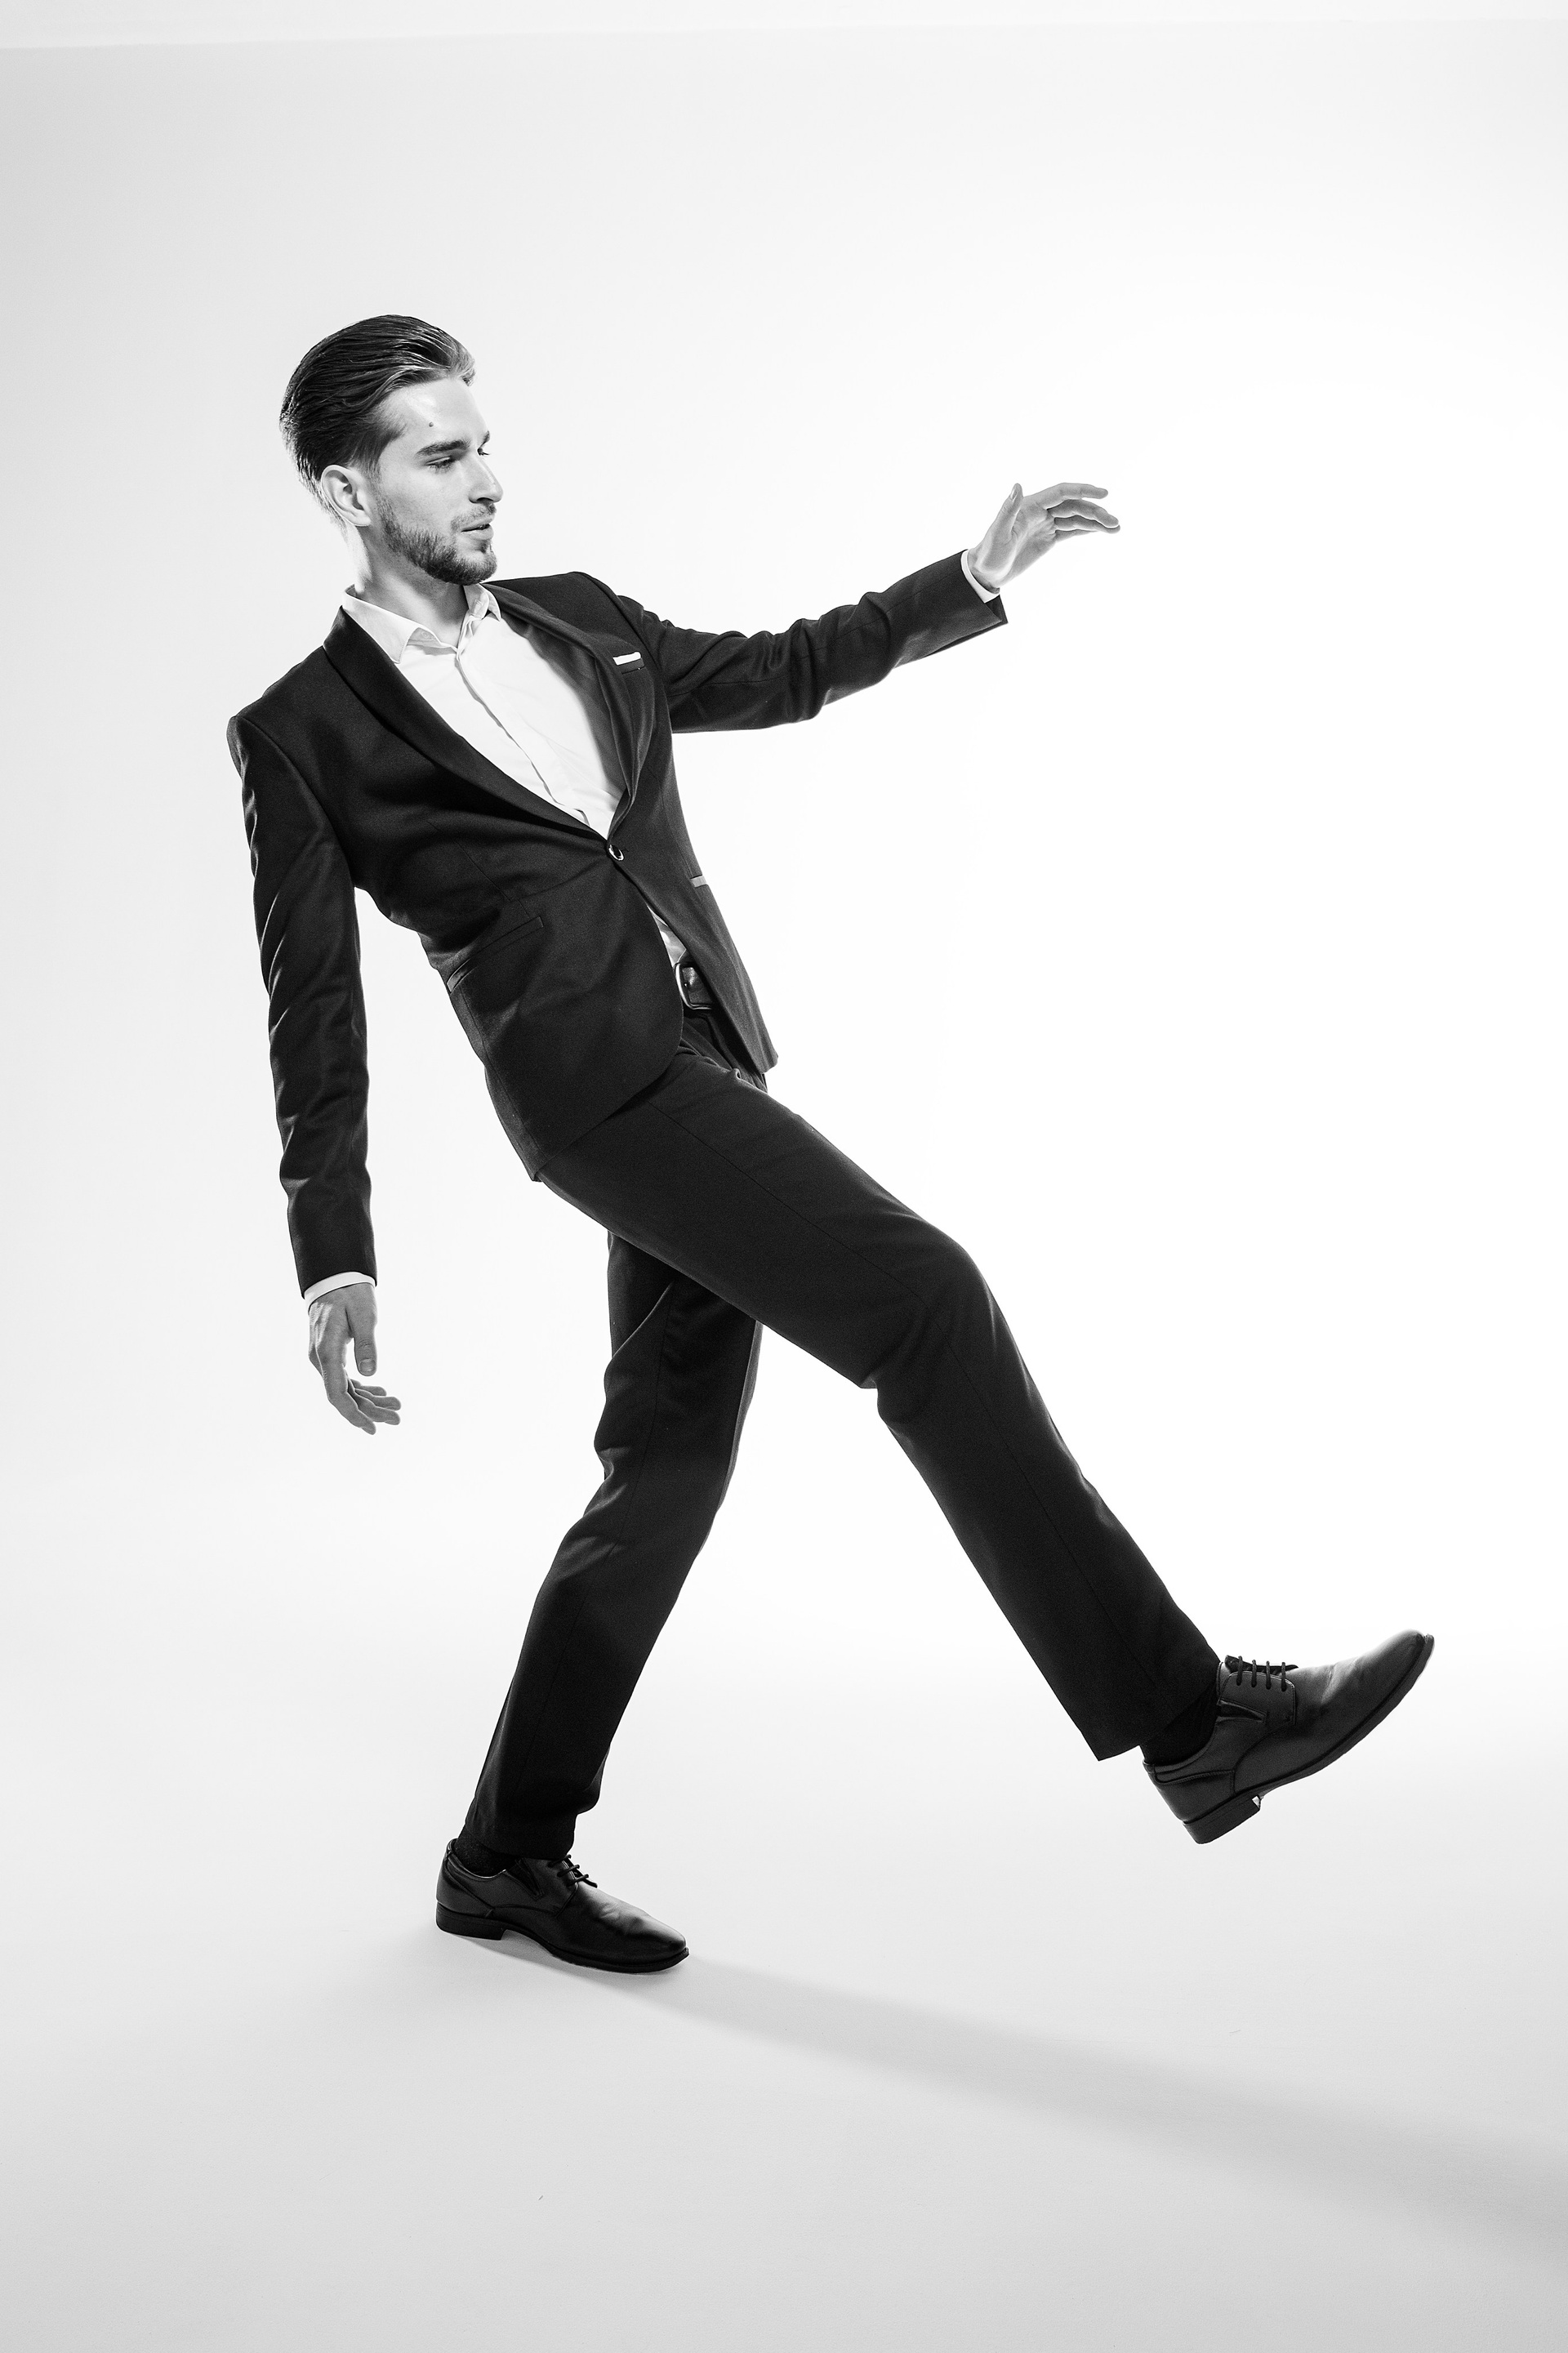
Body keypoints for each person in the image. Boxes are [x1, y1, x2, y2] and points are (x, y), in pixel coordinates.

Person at [230, 315, 1432, 1976]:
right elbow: (314, 1013)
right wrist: (334, 1252)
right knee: (927, 1302)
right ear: (347, 494)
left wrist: (970, 579)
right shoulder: (304, 729)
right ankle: (1193, 1719)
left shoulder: (580, 619)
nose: (487, 476)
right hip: (603, 1101)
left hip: (707, 1057)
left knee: (664, 1471)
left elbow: (779, 669)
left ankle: (503, 1854)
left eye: (485, 441)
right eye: (443, 456)